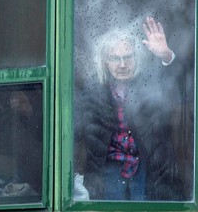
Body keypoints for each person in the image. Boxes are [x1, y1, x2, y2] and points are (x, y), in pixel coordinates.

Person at [75, 17, 185, 201]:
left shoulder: (151, 83)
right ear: (105, 62)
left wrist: (166, 56)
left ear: (137, 58)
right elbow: (73, 130)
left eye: (128, 57)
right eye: (115, 58)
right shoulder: (92, 90)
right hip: (107, 170)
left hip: (149, 168)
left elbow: (182, 91)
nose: (123, 64)